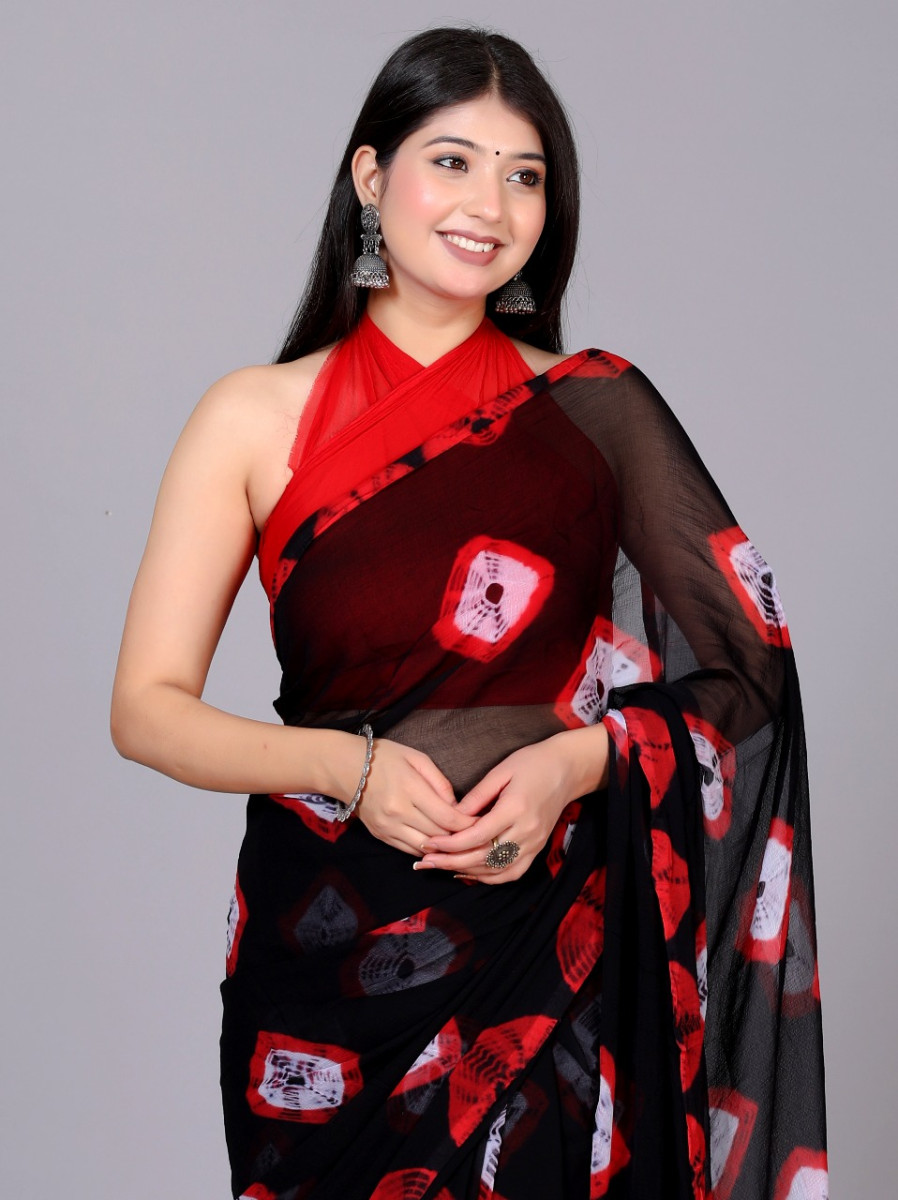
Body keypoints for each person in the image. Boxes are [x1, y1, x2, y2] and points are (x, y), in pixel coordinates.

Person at [111, 26, 827, 1200]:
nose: (489, 205)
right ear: (369, 177)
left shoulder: (594, 410)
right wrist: (346, 769)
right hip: (324, 968)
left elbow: (752, 667)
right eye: (452, 161)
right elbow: (145, 709)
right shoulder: (249, 419)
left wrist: (578, 765)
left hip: (545, 949)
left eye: (523, 175)